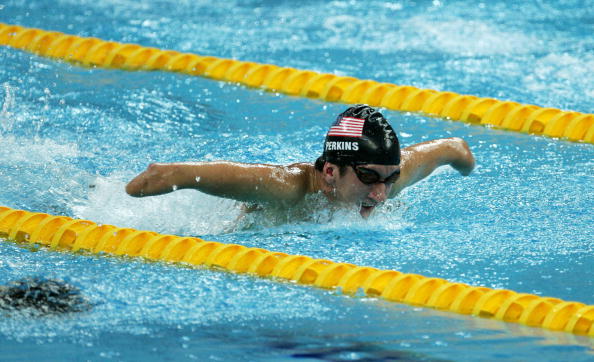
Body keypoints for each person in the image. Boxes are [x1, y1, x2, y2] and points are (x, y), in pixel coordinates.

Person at [126, 105, 475, 219]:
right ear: (329, 171)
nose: (382, 194)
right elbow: (171, 173)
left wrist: (467, 170)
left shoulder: (387, 179)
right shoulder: (286, 188)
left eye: (391, 177)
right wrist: (131, 193)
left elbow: (455, 148)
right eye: (369, 177)